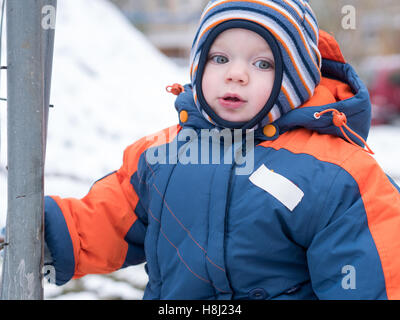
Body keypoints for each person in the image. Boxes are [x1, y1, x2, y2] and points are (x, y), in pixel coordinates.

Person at [43, 0, 400, 299]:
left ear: (295, 81)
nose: (236, 74)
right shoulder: (161, 155)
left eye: (263, 63)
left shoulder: (337, 175)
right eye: (219, 58)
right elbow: (107, 219)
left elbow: (369, 277)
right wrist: (50, 233)